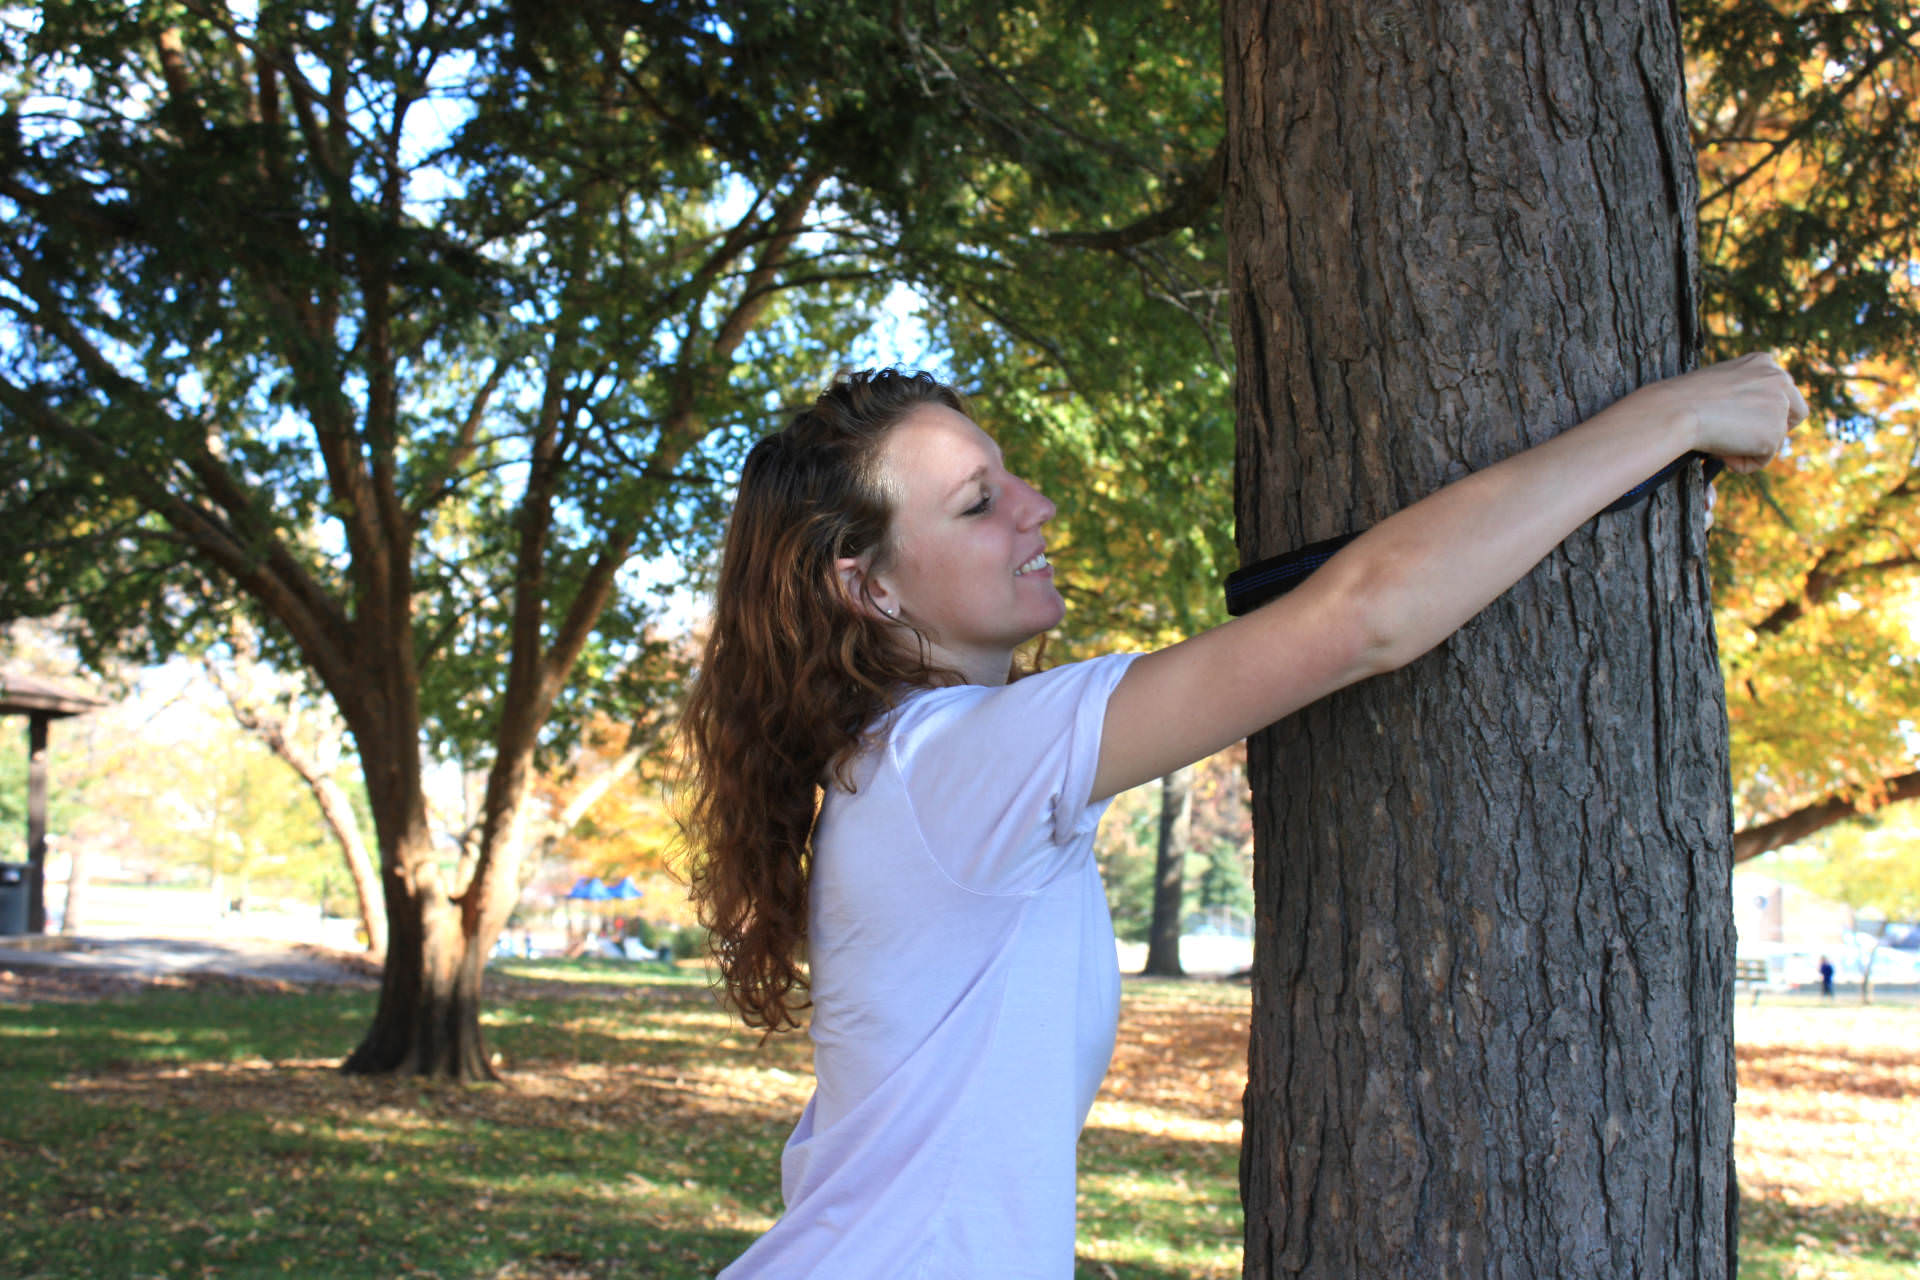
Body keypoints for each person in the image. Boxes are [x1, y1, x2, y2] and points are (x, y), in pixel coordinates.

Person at [678, 356, 1804, 1279]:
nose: (1035, 507)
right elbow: (1366, 617)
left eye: (1010, 478)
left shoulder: (906, 770)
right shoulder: (952, 763)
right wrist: (1677, 416)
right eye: (979, 504)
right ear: (867, 585)